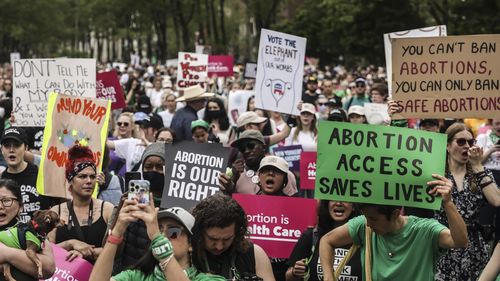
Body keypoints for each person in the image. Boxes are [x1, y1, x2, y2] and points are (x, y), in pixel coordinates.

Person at [319, 173, 468, 281]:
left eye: (374, 219)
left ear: (396, 213)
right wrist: (328, 277)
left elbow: (460, 241)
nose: (369, 224)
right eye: (366, 217)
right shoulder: (363, 225)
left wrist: (448, 203)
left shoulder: (425, 230)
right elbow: (326, 241)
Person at [90, 201, 226, 281]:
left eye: (173, 232)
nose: (163, 237)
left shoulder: (209, 279)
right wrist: (117, 231)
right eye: (159, 230)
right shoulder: (137, 277)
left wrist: (157, 238)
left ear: (191, 244)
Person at [435, 122, 500, 281]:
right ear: (448, 146)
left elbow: (496, 201)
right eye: (461, 142)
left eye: (471, 142)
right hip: (444, 244)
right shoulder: (435, 173)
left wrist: (477, 166)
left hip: (474, 248)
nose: (467, 146)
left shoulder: (480, 174)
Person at [48, 144, 114, 263]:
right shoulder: (55, 212)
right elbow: (46, 251)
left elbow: (115, 249)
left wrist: (83, 253)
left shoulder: (107, 209)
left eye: (92, 177)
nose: (89, 181)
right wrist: (70, 244)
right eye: (82, 176)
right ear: (70, 180)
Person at [191, 193, 275, 280]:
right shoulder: (186, 254)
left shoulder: (254, 253)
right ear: (199, 232)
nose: (219, 246)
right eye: (212, 239)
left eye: (227, 239)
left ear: (238, 233)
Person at [114, 143, 167, 271]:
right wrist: (119, 213)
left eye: (160, 167)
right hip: (129, 271)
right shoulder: (133, 199)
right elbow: (112, 245)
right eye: (148, 166)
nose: (153, 170)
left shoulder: (175, 201)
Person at [286, 200, 361, 281]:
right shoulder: (312, 236)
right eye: (333, 199)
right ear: (327, 204)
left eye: (345, 200)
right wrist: (295, 272)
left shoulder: (364, 238)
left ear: (353, 206)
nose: (339, 203)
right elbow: (288, 277)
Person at [0, 179, 55, 280]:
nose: (0, 206)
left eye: (6, 200)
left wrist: (6, 252)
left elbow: (48, 269)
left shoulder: (32, 231)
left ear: (21, 206)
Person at [219, 130, 298, 196]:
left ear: (264, 147)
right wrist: (233, 182)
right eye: (242, 148)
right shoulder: (234, 175)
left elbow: (291, 205)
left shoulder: (283, 174)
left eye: (251, 146)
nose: (246, 151)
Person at [0, 127, 51, 223]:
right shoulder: (1, 180)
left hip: (40, 236)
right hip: (9, 236)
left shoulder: (41, 175)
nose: (11, 150)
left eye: (17, 145)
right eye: (7, 146)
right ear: (2, 149)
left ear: (26, 148)